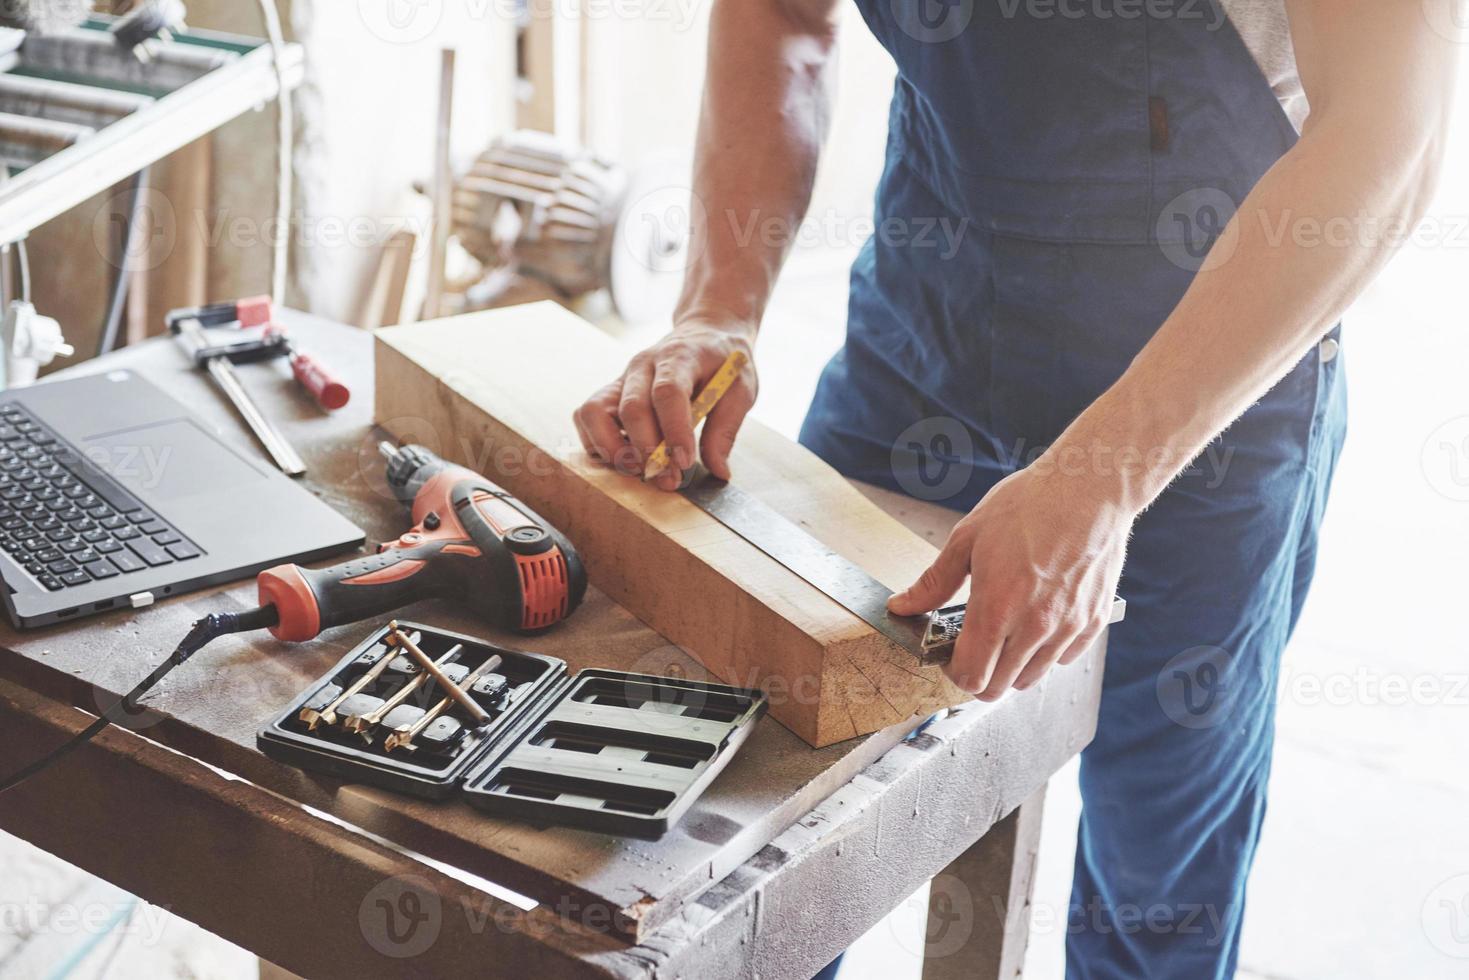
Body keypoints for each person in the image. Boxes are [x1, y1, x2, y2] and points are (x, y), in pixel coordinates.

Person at [574, 1, 1456, 976]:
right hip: (923, 328)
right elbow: (779, 15)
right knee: (772, 787)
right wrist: (717, 305)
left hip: (1207, 387)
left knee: (1155, 871)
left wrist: (1102, 477)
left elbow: (1386, 142)